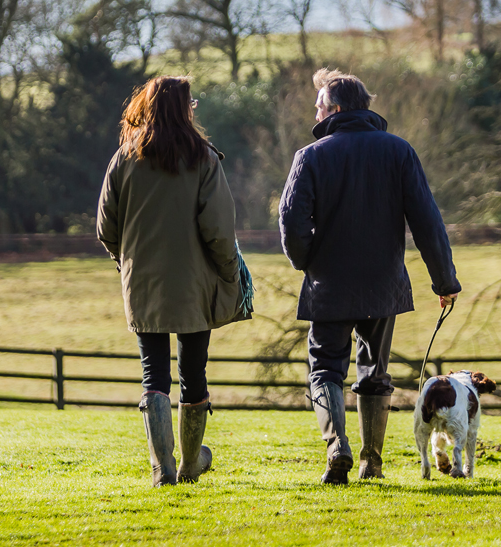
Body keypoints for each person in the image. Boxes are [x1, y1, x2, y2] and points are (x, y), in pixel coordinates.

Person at [278, 68, 461, 485]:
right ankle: (371, 463)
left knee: (324, 368)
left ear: (336, 109)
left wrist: (306, 260)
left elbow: (290, 221)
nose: (316, 112)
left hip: (329, 283)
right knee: (375, 371)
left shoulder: (310, 156)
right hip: (383, 284)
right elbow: (427, 220)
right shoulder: (398, 151)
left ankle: (335, 446)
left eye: (320, 106)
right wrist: (444, 280)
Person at [97, 76, 245, 487]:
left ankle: (162, 468)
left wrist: (125, 261)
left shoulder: (123, 158)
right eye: (191, 103)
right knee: (193, 374)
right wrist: (229, 272)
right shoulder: (203, 158)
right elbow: (218, 228)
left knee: (153, 374)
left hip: (143, 282)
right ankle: (190, 463)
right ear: (183, 109)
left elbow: (106, 226)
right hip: (196, 284)